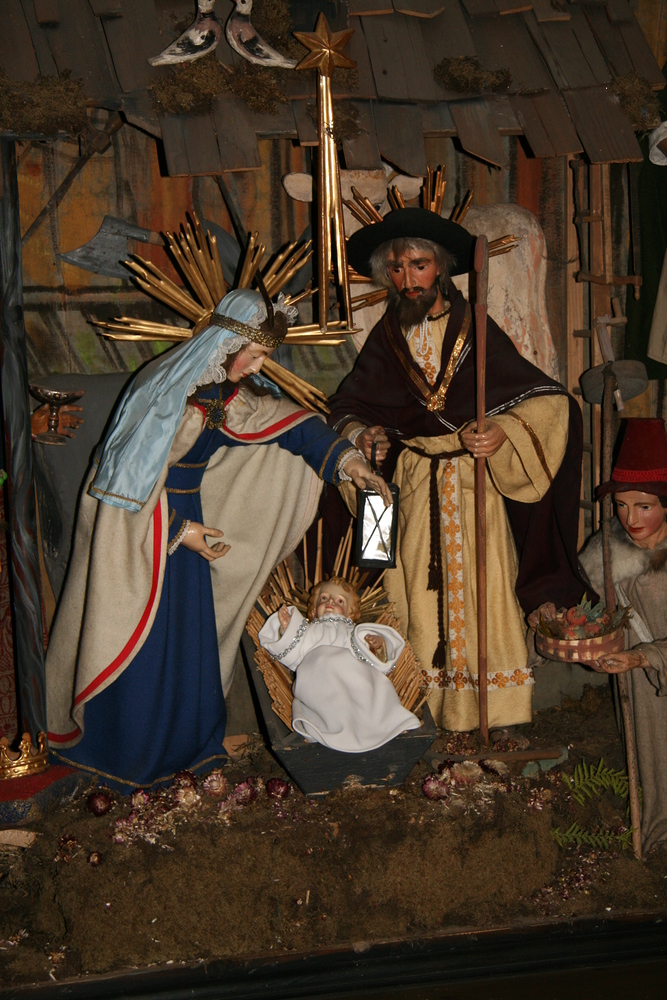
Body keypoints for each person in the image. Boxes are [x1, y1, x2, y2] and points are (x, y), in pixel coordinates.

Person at [45, 290, 390, 791]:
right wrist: (177, 530)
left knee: (189, 643)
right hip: (143, 533)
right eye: (253, 353)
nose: (257, 367)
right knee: (144, 643)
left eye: (265, 356)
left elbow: (284, 425)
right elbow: (122, 485)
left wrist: (349, 463)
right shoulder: (165, 392)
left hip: (186, 521)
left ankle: (187, 750)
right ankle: (127, 755)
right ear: (225, 342)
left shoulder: (222, 393)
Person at [328, 208, 588, 732]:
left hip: (473, 487)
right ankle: (414, 713)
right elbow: (348, 406)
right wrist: (363, 434)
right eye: (395, 269)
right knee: (410, 592)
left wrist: (501, 430)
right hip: (412, 487)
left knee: (481, 589)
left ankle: (493, 717)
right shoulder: (388, 337)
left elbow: (547, 401)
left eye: (418, 265)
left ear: (441, 267)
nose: (407, 279)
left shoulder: (476, 327)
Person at [578, 418, 667, 852]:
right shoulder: (606, 551)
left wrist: (646, 655)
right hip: (637, 686)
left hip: (650, 663)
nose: (631, 519)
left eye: (644, 507)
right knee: (651, 761)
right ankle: (655, 836)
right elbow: (587, 612)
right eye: (622, 505)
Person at [258, 576, 419, 751]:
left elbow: (371, 660)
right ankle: (331, 726)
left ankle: (380, 723)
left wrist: (376, 645)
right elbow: (293, 654)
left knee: (368, 684)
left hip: (353, 682)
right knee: (325, 669)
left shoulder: (354, 633)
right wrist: (286, 629)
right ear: (314, 607)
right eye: (324, 598)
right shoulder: (309, 631)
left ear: (350, 611)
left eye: (339, 601)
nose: (330, 603)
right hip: (319, 681)